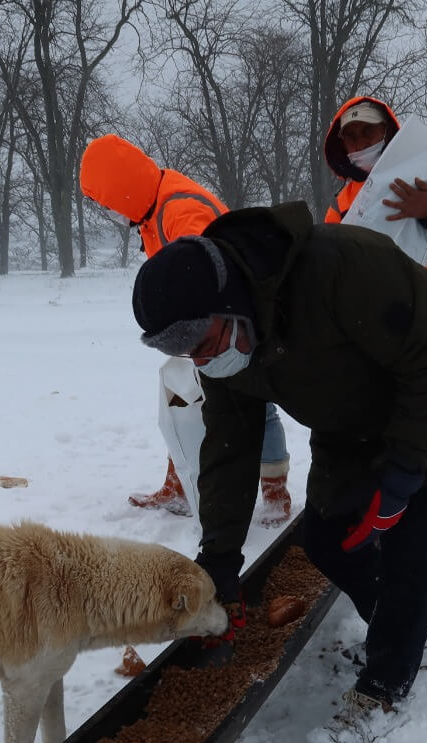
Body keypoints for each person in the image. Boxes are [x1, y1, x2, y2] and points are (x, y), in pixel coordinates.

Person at [129, 201, 427, 743]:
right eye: (187, 354)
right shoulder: (226, 347)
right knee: (327, 537)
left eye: (202, 345)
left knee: (408, 545)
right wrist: (220, 559)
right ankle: (403, 632)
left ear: (228, 302)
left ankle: (388, 684)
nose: (201, 362)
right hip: (349, 413)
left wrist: (401, 477)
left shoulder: (343, 266)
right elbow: (229, 449)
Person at [79, 134, 292, 526]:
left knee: (256, 404)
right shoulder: (153, 210)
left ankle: (275, 492)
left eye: (105, 201)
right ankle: (177, 484)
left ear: (121, 188)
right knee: (183, 402)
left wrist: (203, 341)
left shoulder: (180, 210)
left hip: (236, 329)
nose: (107, 210)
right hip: (205, 330)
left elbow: (211, 279)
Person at [322, 96, 427, 554]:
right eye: (350, 137)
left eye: (368, 133)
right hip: (385, 319)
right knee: (400, 413)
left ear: (389, 134)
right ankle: (392, 502)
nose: (359, 143)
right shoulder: (341, 203)